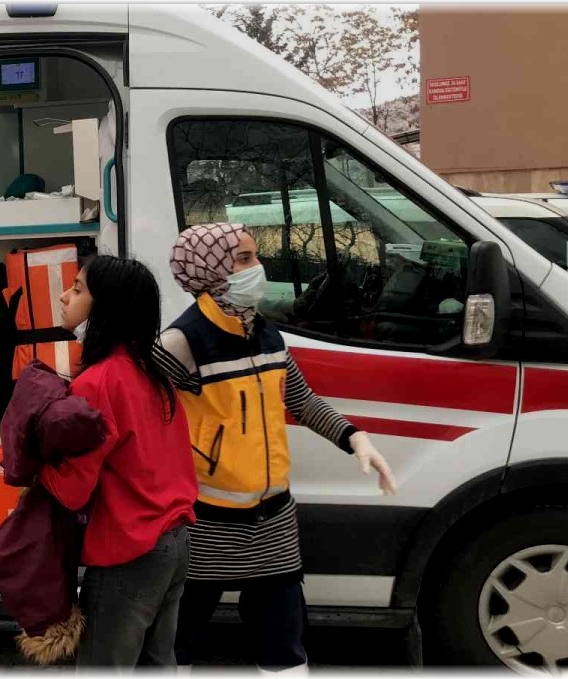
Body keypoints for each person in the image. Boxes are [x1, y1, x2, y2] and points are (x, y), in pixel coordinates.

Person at [153, 223, 399, 672]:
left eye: (255, 257)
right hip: (206, 522)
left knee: (285, 643)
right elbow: (141, 415)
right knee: (174, 641)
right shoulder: (181, 343)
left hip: (273, 521)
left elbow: (301, 400)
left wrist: (353, 437)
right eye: (243, 259)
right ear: (209, 270)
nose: (257, 269)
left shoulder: (267, 335)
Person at [35, 255, 200, 667]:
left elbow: (73, 490)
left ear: (106, 305)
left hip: (130, 552)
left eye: (77, 289)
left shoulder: (97, 382)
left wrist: (28, 464)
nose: (64, 295)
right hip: (174, 542)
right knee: (157, 664)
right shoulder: (152, 373)